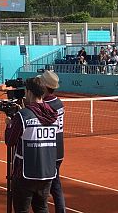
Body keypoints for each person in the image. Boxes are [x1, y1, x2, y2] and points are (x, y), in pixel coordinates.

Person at [5, 76, 58, 213]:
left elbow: (10, 141)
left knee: (22, 210)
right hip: (47, 173)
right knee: (41, 208)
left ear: (28, 92)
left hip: (25, 174)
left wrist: (9, 125)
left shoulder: (23, 116)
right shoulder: (54, 115)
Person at [38, 71, 66, 213]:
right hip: (59, 148)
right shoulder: (58, 102)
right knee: (55, 185)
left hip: (49, 150)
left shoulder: (46, 104)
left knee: (49, 187)